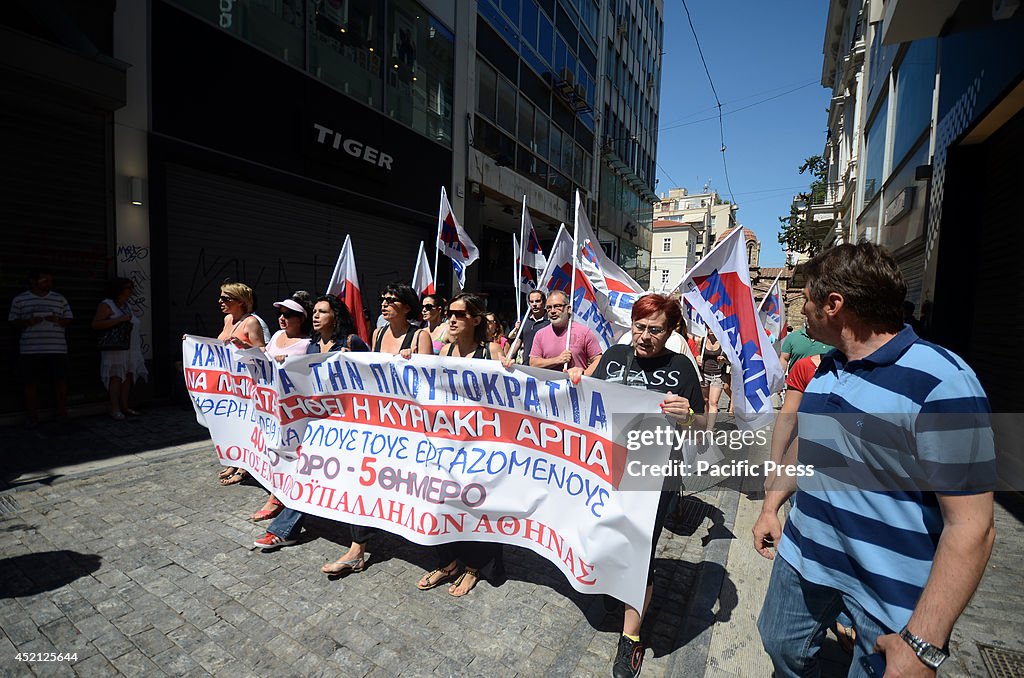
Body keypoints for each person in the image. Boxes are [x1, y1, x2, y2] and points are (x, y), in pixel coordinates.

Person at [753, 242, 996, 677]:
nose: (800, 309)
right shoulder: (827, 366)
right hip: (804, 556)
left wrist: (922, 644)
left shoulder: (945, 381)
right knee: (779, 643)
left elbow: (973, 526)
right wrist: (771, 506)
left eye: (805, 298)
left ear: (835, 304)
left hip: (887, 592)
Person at [568, 294, 704, 678]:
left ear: (671, 330)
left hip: (655, 479)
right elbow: (582, 405)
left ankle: (631, 638)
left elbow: (703, 432)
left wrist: (689, 415)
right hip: (606, 469)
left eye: (654, 329)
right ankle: (614, 586)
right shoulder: (612, 357)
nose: (644, 336)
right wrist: (576, 380)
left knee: (639, 551)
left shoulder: (682, 369)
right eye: (639, 327)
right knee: (607, 535)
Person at [254, 295, 369, 551]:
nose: (315, 316)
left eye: (322, 312)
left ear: (335, 316)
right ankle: (283, 530)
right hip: (321, 425)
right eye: (314, 311)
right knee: (307, 471)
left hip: (349, 424)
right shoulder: (312, 348)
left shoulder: (351, 342)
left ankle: (359, 540)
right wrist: (286, 366)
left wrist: (355, 361)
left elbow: (375, 376)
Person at [415, 293, 506, 597]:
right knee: (444, 503)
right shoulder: (444, 353)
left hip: (482, 449)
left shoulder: (491, 352)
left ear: (476, 320)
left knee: (477, 507)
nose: (451, 319)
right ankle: (449, 561)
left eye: (460, 314)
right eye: (450, 313)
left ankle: (474, 567)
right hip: (447, 448)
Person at [248, 292, 313, 522]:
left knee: (288, 450)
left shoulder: (307, 345)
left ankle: (277, 497)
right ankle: (276, 490)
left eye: (288, 314)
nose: (282, 318)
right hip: (269, 406)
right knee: (270, 448)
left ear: (301, 318)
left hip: (292, 409)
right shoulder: (275, 336)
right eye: (280, 313)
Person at [216, 282, 269, 485]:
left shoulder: (251, 323)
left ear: (240, 302)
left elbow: (263, 352)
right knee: (233, 423)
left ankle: (245, 467)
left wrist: (244, 345)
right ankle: (234, 460)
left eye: (226, 298)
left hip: (248, 384)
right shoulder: (228, 319)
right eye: (221, 297)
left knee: (247, 424)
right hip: (230, 384)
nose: (220, 302)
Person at [9, 268, 73, 427]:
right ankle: (32, 416)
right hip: (30, 349)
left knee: (60, 381)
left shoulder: (59, 299)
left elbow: (69, 319)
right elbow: (12, 320)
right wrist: (28, 322)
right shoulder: (20, 299)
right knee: (30, 383)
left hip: (57, 348)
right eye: (45, 280)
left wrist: (57, 319)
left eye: (50, 280)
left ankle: (61, 413)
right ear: (33, 281)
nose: (49, 283)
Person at [91, 278, 148, 420]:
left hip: (130, 349)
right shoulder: (107, 305)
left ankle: (125, 406)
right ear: (119, 289)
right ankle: (114, 408)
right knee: (116, 377)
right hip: (115, 349)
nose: (131, 291)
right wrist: (119, 319)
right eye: (128, 287)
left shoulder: (127, 306)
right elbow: (96, 324)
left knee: (128, 376)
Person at [528, 290, 602, 375]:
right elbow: (533, 363)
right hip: (549, 386)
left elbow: (598, 359)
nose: (552, 311)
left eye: (557, 306)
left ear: (568, 309)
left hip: (576, 386)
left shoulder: (584, 332)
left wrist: (584, 375)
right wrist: (557, 360)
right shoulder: (540, 334)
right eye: (549, 307)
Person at [372, 283, 433, 358]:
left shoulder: (421, 337)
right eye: (382, 300)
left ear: (407, 308)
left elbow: (427, 368)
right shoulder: (377, 333)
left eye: (390, 300)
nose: (383, 304)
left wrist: (413, 358)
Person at [506, 290, 549, 363]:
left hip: (544, 365)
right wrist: (507, 358)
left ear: (544, 302)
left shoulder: (550, 321)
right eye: (531, 302)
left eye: (537, 301)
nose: (534, 304)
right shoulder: (524, 320)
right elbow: (517, 341)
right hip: (527, 365)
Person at [697, 331, 728, 429]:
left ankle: (709, 430)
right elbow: (698, 354)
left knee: (713, 402)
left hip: (718, 375)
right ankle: (704, 424)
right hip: (704, 374)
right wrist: (697, 358)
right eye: (708, 327)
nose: (710, 329)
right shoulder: (702, 340)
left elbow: (731, 361)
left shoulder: (724, 341)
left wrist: (724, 360)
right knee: (705, 400)